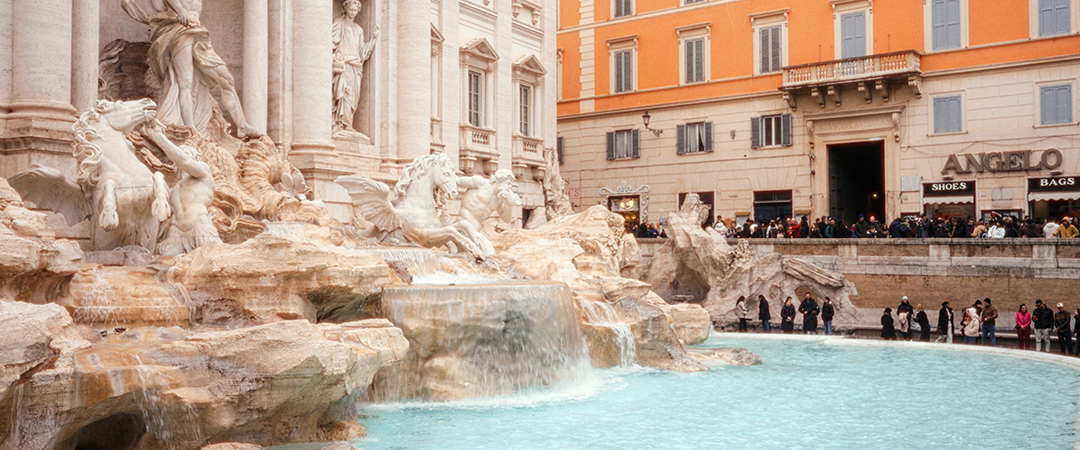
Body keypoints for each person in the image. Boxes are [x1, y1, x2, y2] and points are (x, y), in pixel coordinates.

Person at [121, 0, 263, 138]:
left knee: (227, 79)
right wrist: (180, 10)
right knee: (185, 83)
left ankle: (243, 127)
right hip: (180, 30)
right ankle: (191, 130)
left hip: (197, 32)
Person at [147, 123, 222, 256]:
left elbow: (185, 162)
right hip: (175, 232)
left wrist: (158, 137)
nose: (179, 157)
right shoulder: (174, 189)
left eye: (184, 153)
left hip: (199, 227)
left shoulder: (204, 173)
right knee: (164, 261)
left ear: (196, 158)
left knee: (213, 259)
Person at [332, 0, 380, 137]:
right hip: (345, 62)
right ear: (345, 8)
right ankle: (341, 123)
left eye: (355, 11)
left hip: (356, 65)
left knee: (353, 96)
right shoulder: (339, 23)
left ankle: (349, 123)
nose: (353, 13)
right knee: (344, 94)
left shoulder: (359, 30)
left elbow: (362, 52)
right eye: (351, 9)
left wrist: (374, 39)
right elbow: (332, 41)